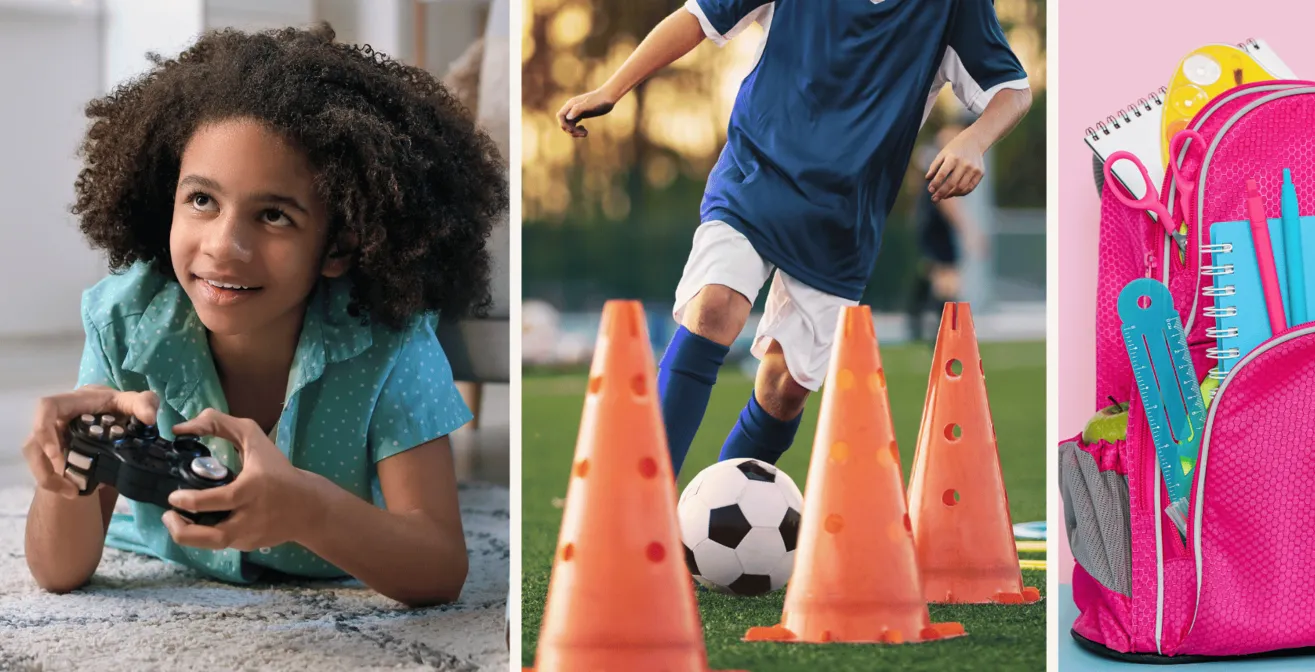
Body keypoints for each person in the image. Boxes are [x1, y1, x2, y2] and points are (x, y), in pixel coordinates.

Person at [22, 25, 507, 606]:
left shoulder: (389, 342)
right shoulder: (127, 320)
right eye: (202, 200)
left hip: (350, 563)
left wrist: (306, 508)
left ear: (340, 247)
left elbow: (438, 568)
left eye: (274, 216)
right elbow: (59, 572)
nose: (224, 247)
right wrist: (68, 474)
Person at [557, 1, 1030, 474]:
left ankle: (721, 516)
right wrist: (611, 88)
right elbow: (698, 17)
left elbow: (1013, 90)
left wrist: (974, 139)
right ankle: (648, 514)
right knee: (715, 305)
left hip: (844, 215)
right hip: (756, 173)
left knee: (784, 390)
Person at [908, 118, 989, 343]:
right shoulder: (948, 155)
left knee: (934, 274)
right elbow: (946, 200)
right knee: (948, 279)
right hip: (936, 224)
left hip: (930, 222)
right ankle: (940, 335)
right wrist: (969, 230)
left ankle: (920, 323)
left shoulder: (933, 154)